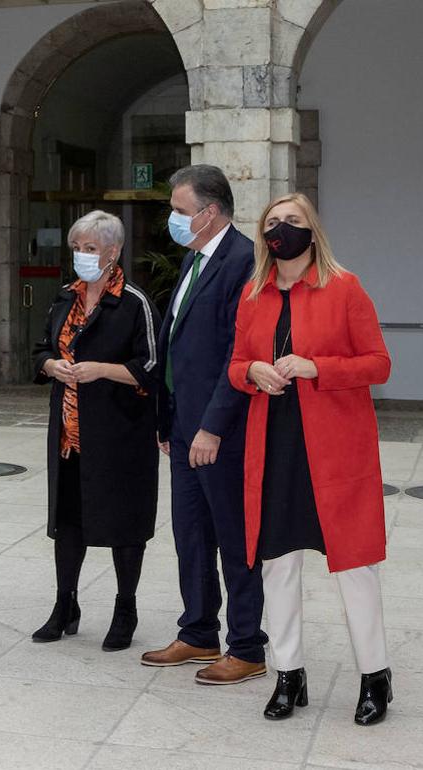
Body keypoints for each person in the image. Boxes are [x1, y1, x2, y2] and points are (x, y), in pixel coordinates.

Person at [228, 193, 393, 725]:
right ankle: (288, 674)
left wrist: (315, 366)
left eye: (293, 221)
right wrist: (253, 372)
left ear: (313, 231)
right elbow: (234, 365)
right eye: (273, 222)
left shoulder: (344, 288)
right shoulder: (252, 293)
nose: (282, 229)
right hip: (274, 446)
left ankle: (375, 677)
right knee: (278, 563)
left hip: (336, 450)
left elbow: (379, 363)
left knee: (355, 568)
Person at [143, 165, 268, 685]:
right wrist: (168, 421)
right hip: (184, 427)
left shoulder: (242, 262)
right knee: (191, 535)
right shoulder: (195, 259)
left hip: (222, 432)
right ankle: (197, 632)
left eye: (179, 210)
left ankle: (247, 645)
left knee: (234, 540)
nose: (172, 219)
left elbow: (239, 355)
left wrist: (212, 426)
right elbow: (178, 347)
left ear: (210, 212)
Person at [29, 211, 161, 652]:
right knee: (67, 523)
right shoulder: (65, 296)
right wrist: (52, 365)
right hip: (69, 433)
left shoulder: (134, 301)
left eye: (90, 249)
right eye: (77, 248)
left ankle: (126, 608)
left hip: (120, 434)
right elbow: (41, 348)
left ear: (113, 252)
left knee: (124, 523)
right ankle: (65, 604)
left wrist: (102, 370)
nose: (81, 257)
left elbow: (152, 367)